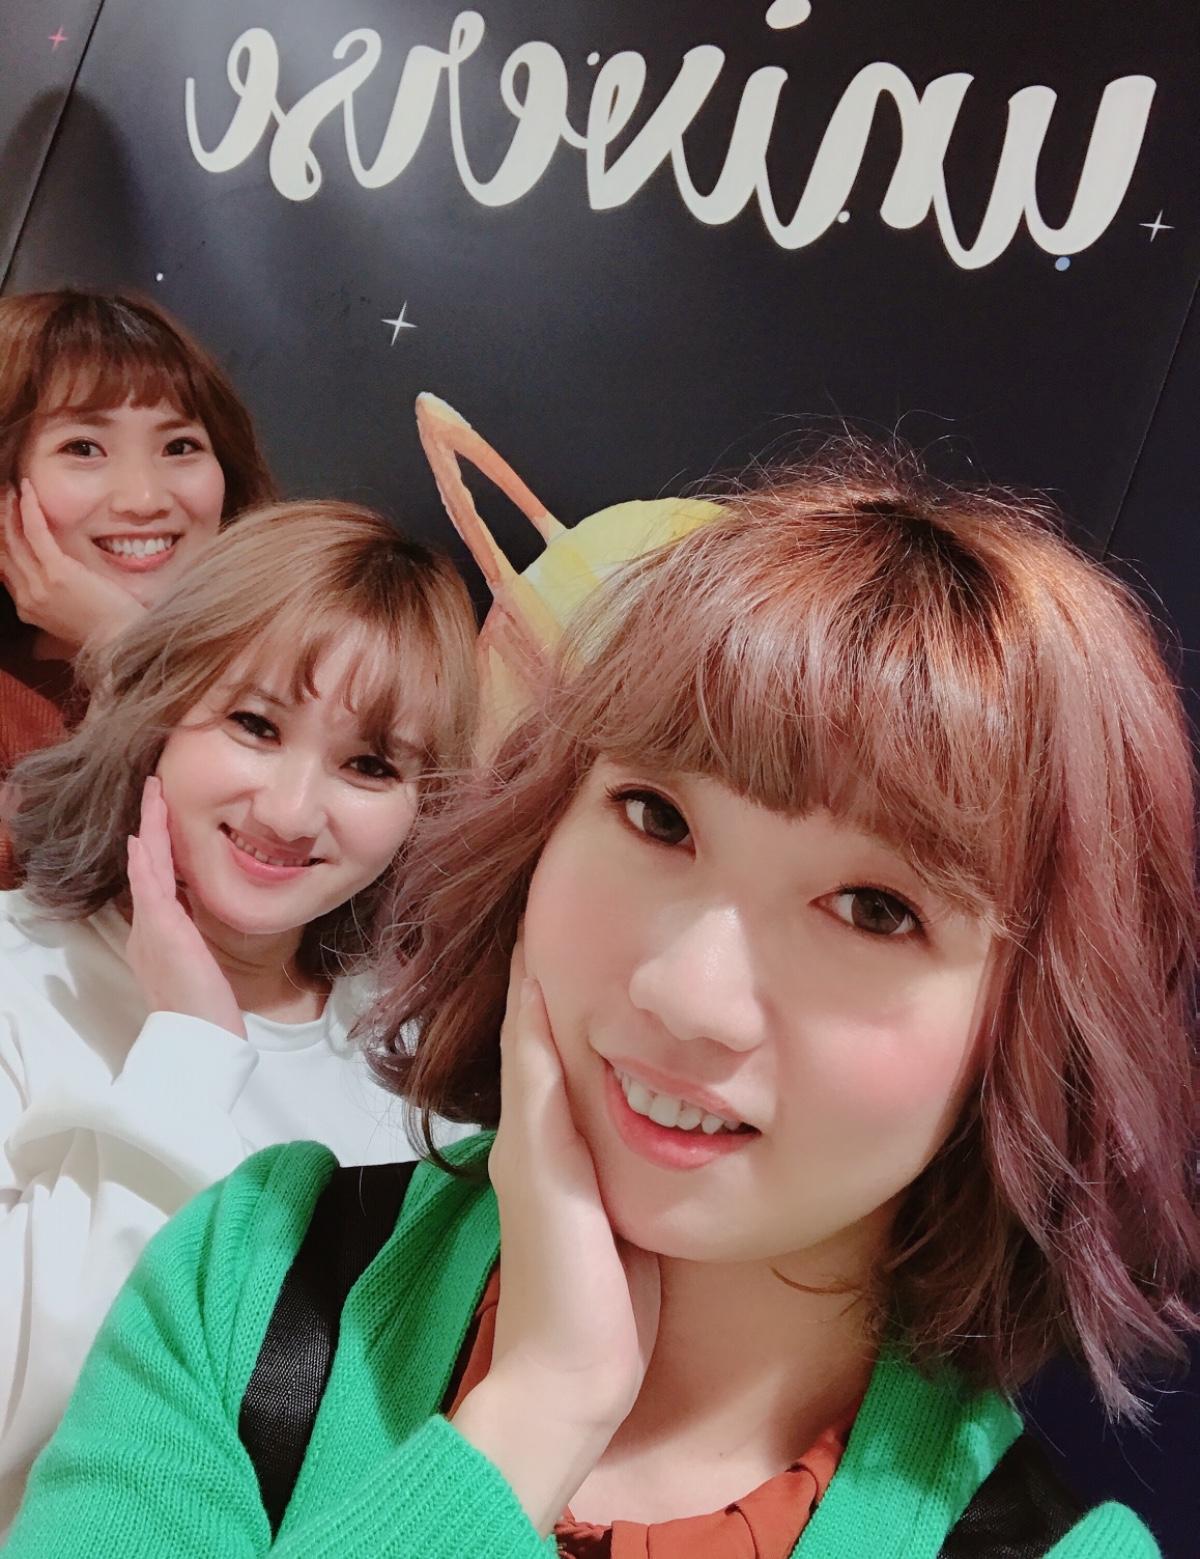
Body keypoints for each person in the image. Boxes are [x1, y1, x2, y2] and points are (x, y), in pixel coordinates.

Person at [5, 449, 1196, 1556]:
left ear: (1032, 1027)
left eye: (876, 908)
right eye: (657, 816)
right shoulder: (251, 1277)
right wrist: (532, 1417)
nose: (687, 993)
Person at [0, 499, 478, 1530]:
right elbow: (31, 1432)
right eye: (255, 725)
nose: (290, 810)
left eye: (369, 765)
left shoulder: (419, 1066)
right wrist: (188, 1053)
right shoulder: (17, 980)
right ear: (159, 711)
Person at [0, 288, 276, 883]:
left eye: (180, 447)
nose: (145, 499)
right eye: (83, 448)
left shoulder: (295, 672)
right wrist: (120, 649)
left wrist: (123, 647)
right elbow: (54, 891)